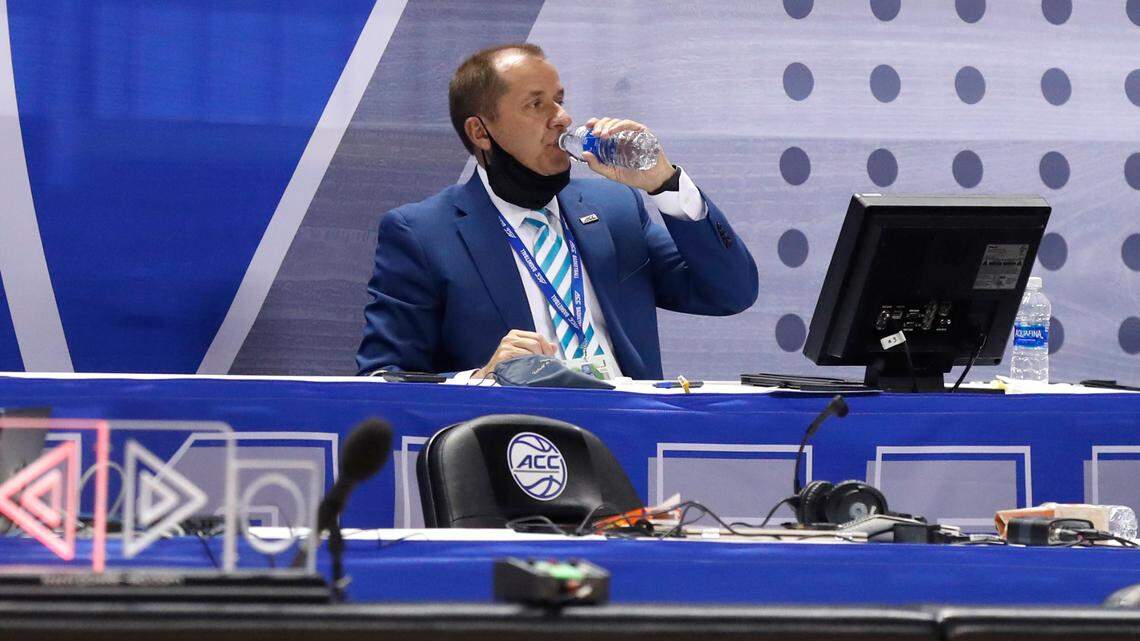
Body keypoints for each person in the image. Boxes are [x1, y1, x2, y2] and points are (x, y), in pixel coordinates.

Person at [356, 43, 758, 380]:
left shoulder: (615, 208)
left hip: (629, 431)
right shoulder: (423, 234)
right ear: (480, 132)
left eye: (560, 101)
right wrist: (480, 380)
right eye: (536, 104)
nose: (563, 118)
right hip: (514, 439)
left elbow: (730, 293)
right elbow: (383, 379)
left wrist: (664, 182)